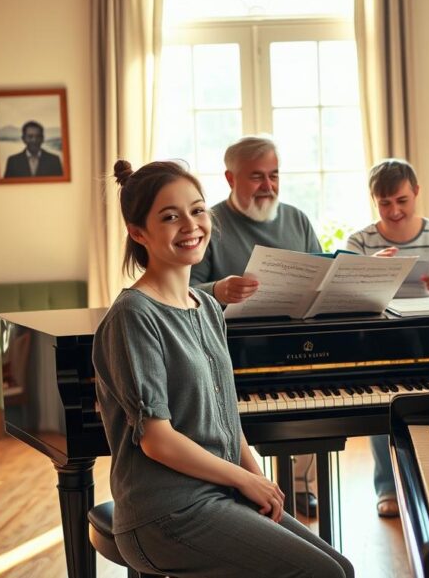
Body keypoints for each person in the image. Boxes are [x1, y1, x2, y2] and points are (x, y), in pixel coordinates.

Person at [93, 159, 354, 578]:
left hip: (219, 492)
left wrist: (254, 474)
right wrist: (243, 481)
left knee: (341, 567)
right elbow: (157, 440)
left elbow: (224, 408)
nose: (191, 225)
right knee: (323, 575)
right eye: (169, 217)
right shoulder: (133, 316)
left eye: (197, 210)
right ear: (138, 232)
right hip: (165, 512)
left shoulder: (209, 305)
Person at [189, 135, 322, 513]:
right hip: (228, 353)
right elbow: (181, 292)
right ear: (231, 179)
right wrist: (218, 288)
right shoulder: (208, 224)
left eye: (274, 175)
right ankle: (246, 489)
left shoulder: (297, 218)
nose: (269, 186)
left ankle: (299, 486)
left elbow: (319, 274)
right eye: (257, 177)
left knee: (318, 403)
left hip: (294, 346)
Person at [345, 158, 429, 517]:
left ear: (416, 192)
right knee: (381, 407)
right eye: (385, 203)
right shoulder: (360, 240)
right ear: (374, 200)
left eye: (401, 200)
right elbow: (344, 298)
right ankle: (386, 486)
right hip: (378, 336)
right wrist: (370, 271)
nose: (394, 211)